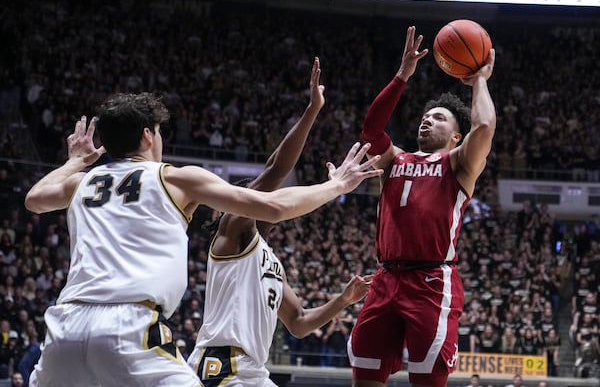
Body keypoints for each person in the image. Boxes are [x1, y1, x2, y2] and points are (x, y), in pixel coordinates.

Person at [24, 91, 382, 386]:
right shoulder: (174, 178)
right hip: (130, 326)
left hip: (65, 325)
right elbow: (273, 204)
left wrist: (75, 161)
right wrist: (337, 185)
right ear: (149, 135)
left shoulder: (81, 182)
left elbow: (35, 200)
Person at [187, 57, 373, 386]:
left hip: (253, 371)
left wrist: (342, 300)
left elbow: (299, 323)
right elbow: (275, 171)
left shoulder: (269, 260)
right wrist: (313, 109)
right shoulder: (232, 233)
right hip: (223, 365)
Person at [348, 25, 496, 387]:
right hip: (385, 279)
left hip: (431, 282)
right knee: (364, 377)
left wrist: (479, 81)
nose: (427, 119)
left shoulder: (459, 164)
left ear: (456, 137)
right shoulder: (394, 159)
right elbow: (370, 131)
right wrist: (401, 76)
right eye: (426, 116)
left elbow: (485, 126)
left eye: (440, 117)